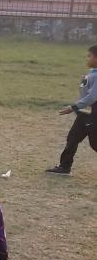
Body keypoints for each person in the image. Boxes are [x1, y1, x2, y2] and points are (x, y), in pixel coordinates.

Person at [47, 44, 97, 175]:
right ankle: (64, 167)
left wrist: (73, 107)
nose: (87, 58)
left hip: (94, 115)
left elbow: (92, 96)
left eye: (89, 56)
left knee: (95, 143)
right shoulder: (93, 73)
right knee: (72, 138)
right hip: (84, 113)